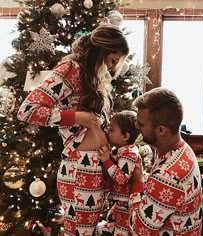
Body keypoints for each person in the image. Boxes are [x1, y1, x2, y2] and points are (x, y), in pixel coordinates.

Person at [17, 24, 129, 236]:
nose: (113, 68)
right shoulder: (70, 70)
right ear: (102, 51)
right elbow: (27, 110)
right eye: (113, 60)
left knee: (86, 231)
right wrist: (77, 117)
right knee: (80, 232)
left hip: (93, 168)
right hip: (79, 170)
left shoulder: (90, 76)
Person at [128, 87, 203, 236]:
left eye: (141, 124)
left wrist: (137, 182)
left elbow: (139, 230)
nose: (136, 126)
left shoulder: (167, 175)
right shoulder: (183, 149)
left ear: (161, 130)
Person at [96, 110, 141, 236]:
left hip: (127, 205)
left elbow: (122, 178)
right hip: (120, 204)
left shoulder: (129, 153)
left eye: (112, 130)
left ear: (125, 136)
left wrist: (106, 161)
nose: (108, 133)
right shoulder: (120, 150)